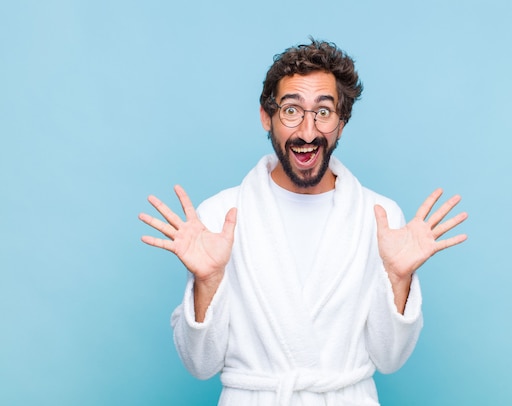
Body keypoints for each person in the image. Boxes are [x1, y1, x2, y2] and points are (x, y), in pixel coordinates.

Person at [139, 39, 468, 406]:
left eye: (324, 112)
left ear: (341, 123)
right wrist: (208, 281)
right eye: (291, 110)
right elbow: (200, 366)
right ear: (267, 117)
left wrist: (398, 278)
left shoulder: (379, 216)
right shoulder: (220, 215)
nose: (308, 131)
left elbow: (390, 360)